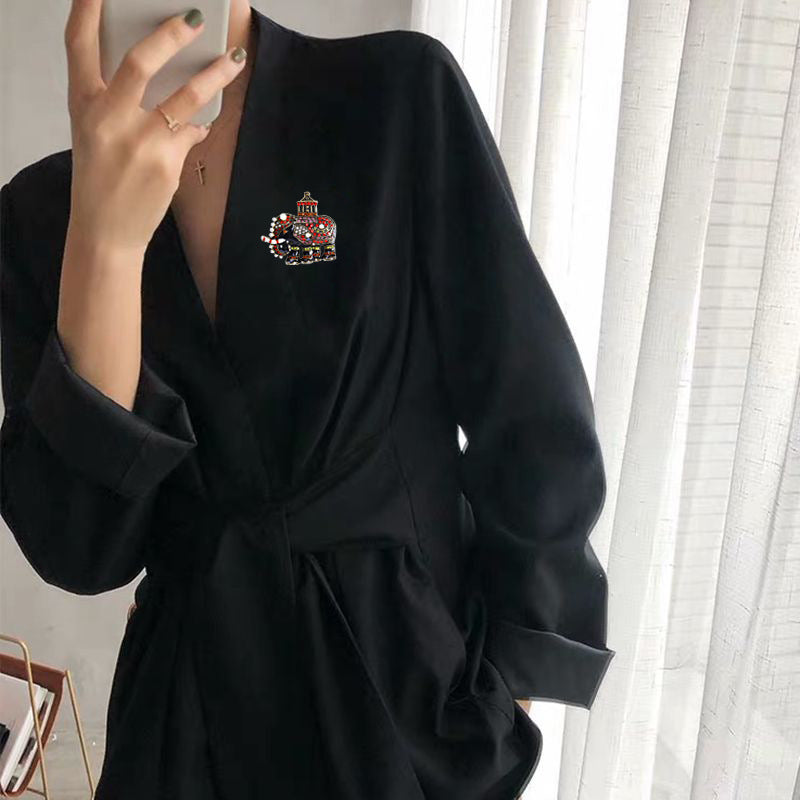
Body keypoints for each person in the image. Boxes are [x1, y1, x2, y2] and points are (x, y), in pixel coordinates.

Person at [0, 1, 615, 798]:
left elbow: (532, 412)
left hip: (410, 701)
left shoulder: (392, 99)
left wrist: (509, 687)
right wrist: (105, 244)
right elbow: (81, 551)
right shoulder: (41, 214)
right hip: (189, 726)